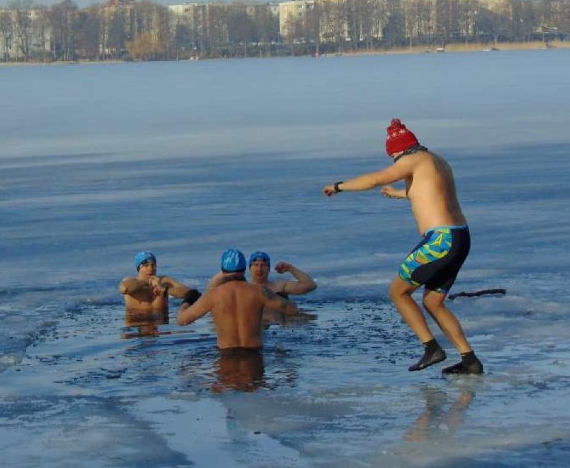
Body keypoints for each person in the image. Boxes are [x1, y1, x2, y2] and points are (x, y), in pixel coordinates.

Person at [322, 119, 483, 375]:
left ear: (398, 150)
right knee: (433, 302)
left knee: (398, 292)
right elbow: (427, 193)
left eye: (393, 156)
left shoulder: (411, 160)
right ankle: (469, 359)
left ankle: (432, 348)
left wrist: (339, 187)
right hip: (460, 237)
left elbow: (375, 179)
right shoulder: (436, 160)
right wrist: (397, 194)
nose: (395, 162)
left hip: (440, 241)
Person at [177, 248, 299, 349]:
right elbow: (293, 310)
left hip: (226, 357)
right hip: (254, 355)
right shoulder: (259, 291)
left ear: (223, 271)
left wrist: (187, 300)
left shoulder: (212, 295)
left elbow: (182, 320)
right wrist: (281, 297)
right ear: (244, 270)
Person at [119, 251, 200, 321]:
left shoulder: (164, 280)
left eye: (153, 265)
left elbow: (191, 294)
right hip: (137, 324)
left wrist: (164, 289)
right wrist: (145, 283)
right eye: (146, 265)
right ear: (138, 268)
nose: (151, 269)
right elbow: (124, 289)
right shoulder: (131, 281)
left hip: (161, 326)